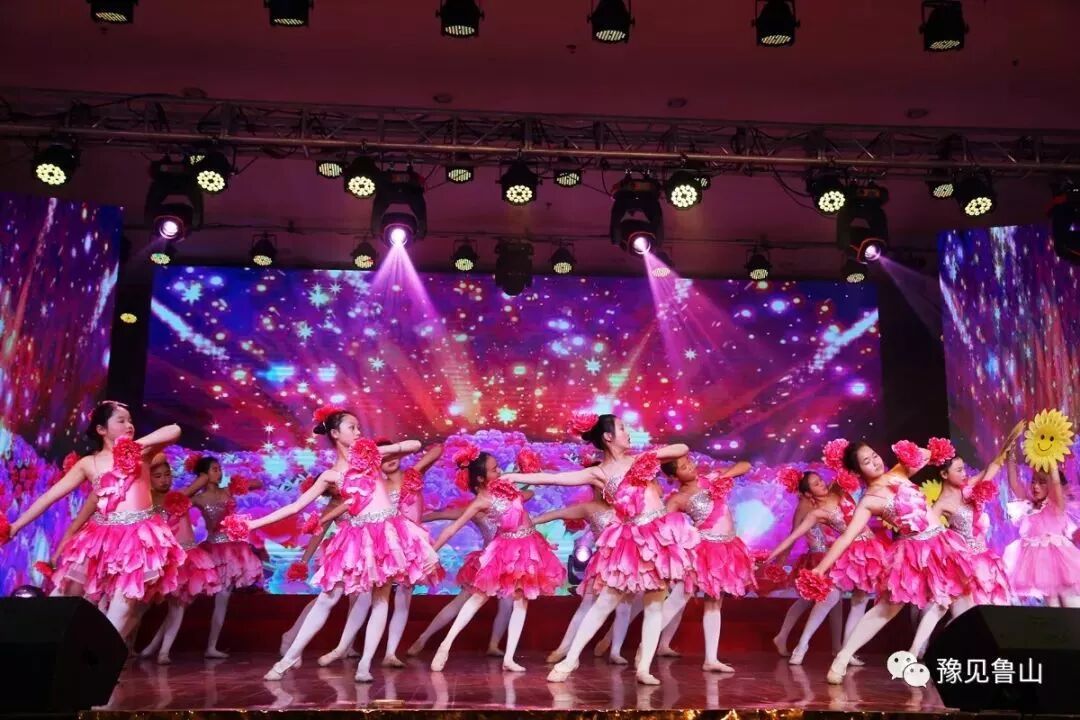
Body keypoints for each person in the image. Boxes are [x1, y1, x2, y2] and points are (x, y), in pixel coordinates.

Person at [501, 413, 697, 685]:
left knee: (654, 604)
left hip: (659, 536)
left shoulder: (640, 459)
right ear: (608, 437)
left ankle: (644, 669)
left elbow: (682, 448)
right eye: (622, 428)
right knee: (605, 602)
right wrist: (513, 476)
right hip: (631, 540)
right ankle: (570, 660)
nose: (628, 433)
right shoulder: (599, 473)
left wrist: (651, 456)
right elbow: (555, 479)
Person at [251, 407, 436, 682]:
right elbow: (295, 507)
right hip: (357, 538)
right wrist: (252, 525)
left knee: (381, 599)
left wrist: (379, 450)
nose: (358, 432)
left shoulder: (372, 457)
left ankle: (364, 665)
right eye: (352, 427)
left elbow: (415, 445)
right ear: (336, 434)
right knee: (328, 598)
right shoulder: (331, 476)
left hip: (389, 533)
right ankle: (286, 660)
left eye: (359, 427)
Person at [7, 401, 185, 635]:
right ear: (101, 429)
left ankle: (100, 652)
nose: (129, 425)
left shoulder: (143, 453)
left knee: (123, 606)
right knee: (65, 593)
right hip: (101, 538)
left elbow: (174, 430)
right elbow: (49, 497)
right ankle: (45, 642)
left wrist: (135, 446)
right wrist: (16, 525)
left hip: (138, 538)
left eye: (130, 420)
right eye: (121, 421)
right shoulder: (88, 463)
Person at [810, 438, 973, 684]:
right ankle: (842, 658)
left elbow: (928, 454)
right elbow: (846, 537)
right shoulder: (868, 501)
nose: (875, 462)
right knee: (887, 609)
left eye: (874, 455)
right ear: (857, 471)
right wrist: (820, 569)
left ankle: (922, 655)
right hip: (913, 551)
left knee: (954, 599)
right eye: (866, 461)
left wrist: (912, 452)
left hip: (941, 543)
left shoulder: (899, 471)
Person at [425, 447, 565, 673]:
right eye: (493, 469)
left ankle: (509, 658)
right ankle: (445, 645)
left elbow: (527, 497)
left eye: (498, 467)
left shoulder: (507, 487)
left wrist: (526, 473)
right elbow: (452, 528)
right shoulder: (482, 501)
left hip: (528, 545)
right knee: (478, 597)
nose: (499, 471)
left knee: (521, 600)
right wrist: (433, 551)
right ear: (481, 478)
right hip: (505, 549)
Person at [762, 470, 887, 665]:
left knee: (860, 600)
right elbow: (793, 536)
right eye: (816, 484)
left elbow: (852, 470)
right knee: (829, 597)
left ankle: (846, 652)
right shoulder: (816, 513)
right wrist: (769, 557)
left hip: (870, 550)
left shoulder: (838, 489)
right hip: (849, 552)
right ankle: (802, 645)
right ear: (808, 493)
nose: (821, 483)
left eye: (820, 480)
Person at [658, 455, 754, 672]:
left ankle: (711, 659)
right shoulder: (678, 498)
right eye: (683, 467)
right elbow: (662, 525)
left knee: (714, 602)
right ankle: (644, 648)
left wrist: (724, 477)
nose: (690, 467)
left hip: (726, 548)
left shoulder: (711, 478)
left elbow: (745, 464)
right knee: (678, 598)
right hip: (702, 550)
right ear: (674, 476)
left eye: (689, 462)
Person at [139, 454, 223, 664]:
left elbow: (202, 480)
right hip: (161, 560)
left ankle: (163, 652)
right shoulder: (145, 501)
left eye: (167, 474)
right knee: (140, 606)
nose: (164, 480)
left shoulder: (179, 496)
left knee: (177, 606)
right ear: (148, 478)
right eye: (158, 476)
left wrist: (196, 466)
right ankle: (140, 647)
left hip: (184, 558)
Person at [930, 425, 1019, 609]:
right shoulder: (940, 505)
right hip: (965, 566)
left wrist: (1005, 448)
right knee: (973, 611)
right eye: (959, 470)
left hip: (984, 557)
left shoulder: (968, 487)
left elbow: (991, 469)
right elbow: (931, 537)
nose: (964, 474)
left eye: (964, 469)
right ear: (944, 474)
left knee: (997, 605)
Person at [530, 486, 619, 665]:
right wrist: (532, 521)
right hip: (603, 563)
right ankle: (564, 650)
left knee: (624, 608)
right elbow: (560, 513)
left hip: (625, 561)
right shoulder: (589, 507)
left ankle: (615, 649)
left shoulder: (624, 506)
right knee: (586, 606)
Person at [186, 455, 264, 658]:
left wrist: (240, 482)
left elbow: (258, 483)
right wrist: (197, 484)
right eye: (214, 469)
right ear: (203, 474)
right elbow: (175, 502)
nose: (219, 472)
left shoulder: (228, 491)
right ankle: (162, 647)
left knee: (223, 598)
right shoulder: (198, 499)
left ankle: (211, 647)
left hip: (233, 550)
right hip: (212, 551)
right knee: (186, 599)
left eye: (219, 468)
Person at [1003, 454, 1080, 607]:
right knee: (1052, 605)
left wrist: (1051, 456)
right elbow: (1014, 483)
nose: (1035, 486)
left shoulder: (1056, 505)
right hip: (1040, 566)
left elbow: (1056, 483)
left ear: (1050, 485)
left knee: (1072, 603)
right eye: (1033, 481)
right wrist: (1011, 456)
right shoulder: (1029, 505)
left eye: (1042, 482)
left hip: (1062, 562)